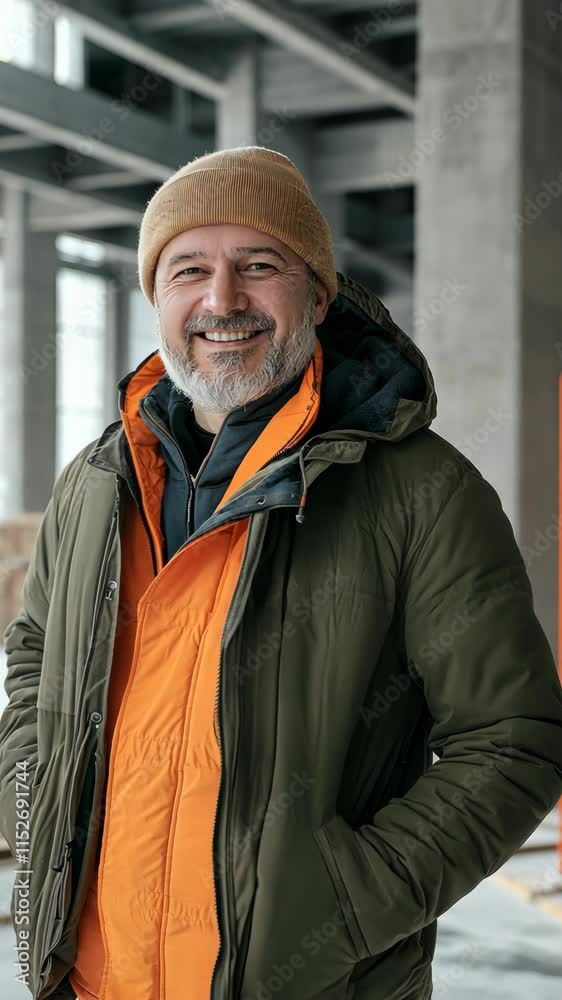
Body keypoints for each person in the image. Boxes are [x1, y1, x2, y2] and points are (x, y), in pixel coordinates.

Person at [1, 145, 561, 1000]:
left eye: (258, 266)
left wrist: (339, 906)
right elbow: (38, 649)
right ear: (158, 297)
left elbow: (513, 740)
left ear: (319, 293)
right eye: (189, 269)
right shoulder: (94, 481)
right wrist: (31, 813)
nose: (222, 300)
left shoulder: (421, 491)